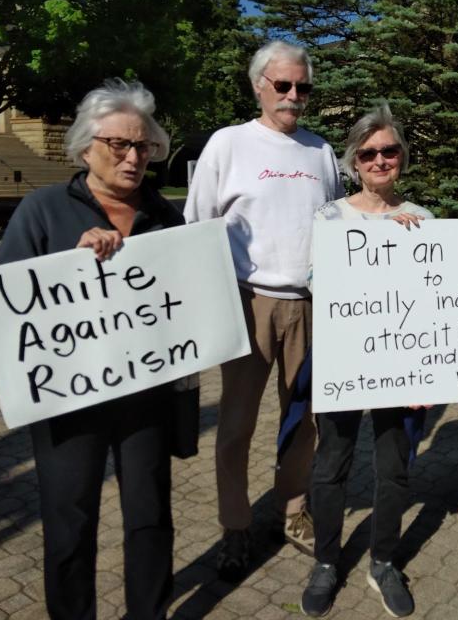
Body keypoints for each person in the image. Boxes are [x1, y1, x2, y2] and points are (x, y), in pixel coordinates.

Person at [0, 79, 183, 620]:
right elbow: (6, 299)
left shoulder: (167, 217)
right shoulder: (44, 209)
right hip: (67, 400)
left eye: (142, 145)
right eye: (117, 145)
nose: (132, 156)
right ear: (85, 147)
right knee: (69, 521)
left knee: (149, 516)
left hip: (146, 392)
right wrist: (69, 266)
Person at [184, 41, 343, 580]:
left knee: (305, 422)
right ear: (258, 85)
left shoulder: (320, 151)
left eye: (303, 87)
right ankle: (235, 526)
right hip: (247, 302)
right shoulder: (228, 145)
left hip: (309, 305)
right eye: (283, 85)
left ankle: (293, 510)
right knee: (236, 425)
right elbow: (197, 225)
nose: (294, 95)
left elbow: (339, 225)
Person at [301, 105, 431, 618]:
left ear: (401, 158)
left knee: (394, 469)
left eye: (390, 151)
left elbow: (437, 298)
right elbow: (315, 282)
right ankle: (327, 563)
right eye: (369, 152)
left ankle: (383, 561)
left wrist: (429, 371)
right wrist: (379, 241)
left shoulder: (424, 218)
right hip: (345, 359)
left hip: (402, 366)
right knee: (331, 466)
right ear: (355, 161)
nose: (380, 160)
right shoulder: (330, 217)